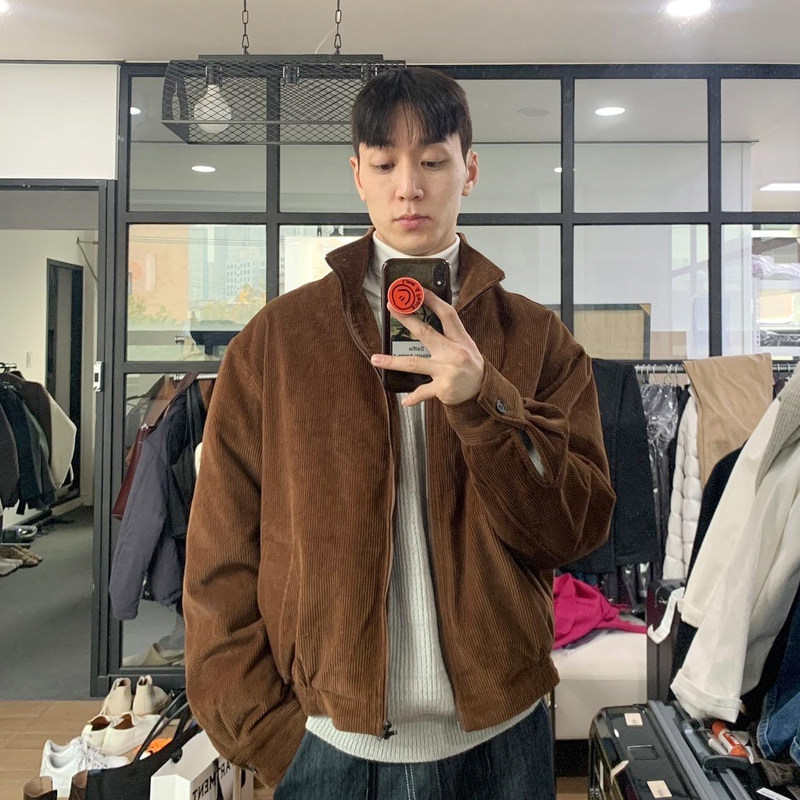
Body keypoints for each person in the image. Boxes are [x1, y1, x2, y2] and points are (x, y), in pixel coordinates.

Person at [183, 66, 615, 799]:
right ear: (358, 175)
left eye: (433, 161)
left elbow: (572, 530)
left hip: (500, 739)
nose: (409, 188)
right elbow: (220, 556)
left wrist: (485, 402)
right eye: (385, 164)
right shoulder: (277, 342)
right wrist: (269, 733)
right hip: (324, 744)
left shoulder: (537, 340)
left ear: (469, 170)